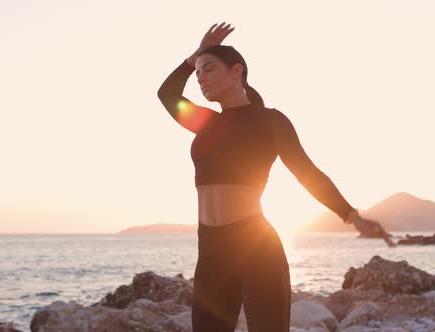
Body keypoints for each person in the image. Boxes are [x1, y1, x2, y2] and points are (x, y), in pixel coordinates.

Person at [157, 22, 396, 332]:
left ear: (236, 71)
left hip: (256, 248)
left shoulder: (269, 121)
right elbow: (167, 94)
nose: (201, 78)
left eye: (209, 69)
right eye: (198, 72)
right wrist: (195, 56)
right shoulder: (205, 122)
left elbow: (307, 173)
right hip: (211, 251)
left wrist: (350, 214)